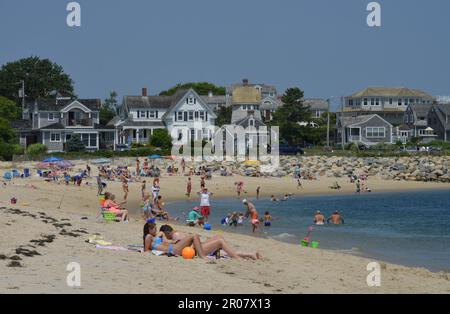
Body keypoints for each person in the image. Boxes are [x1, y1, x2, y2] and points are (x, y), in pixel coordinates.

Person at [143, 223, 261, 260]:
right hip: (175, 250)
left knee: (218, 238)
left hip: (176, 248)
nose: (156, 230)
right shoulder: (149, 236)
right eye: (154, 228)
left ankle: (249, 254)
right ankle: (203, 256)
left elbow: (162, 238)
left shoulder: (157, 237)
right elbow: (146, 250)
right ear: (149, 230)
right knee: (195, 236)